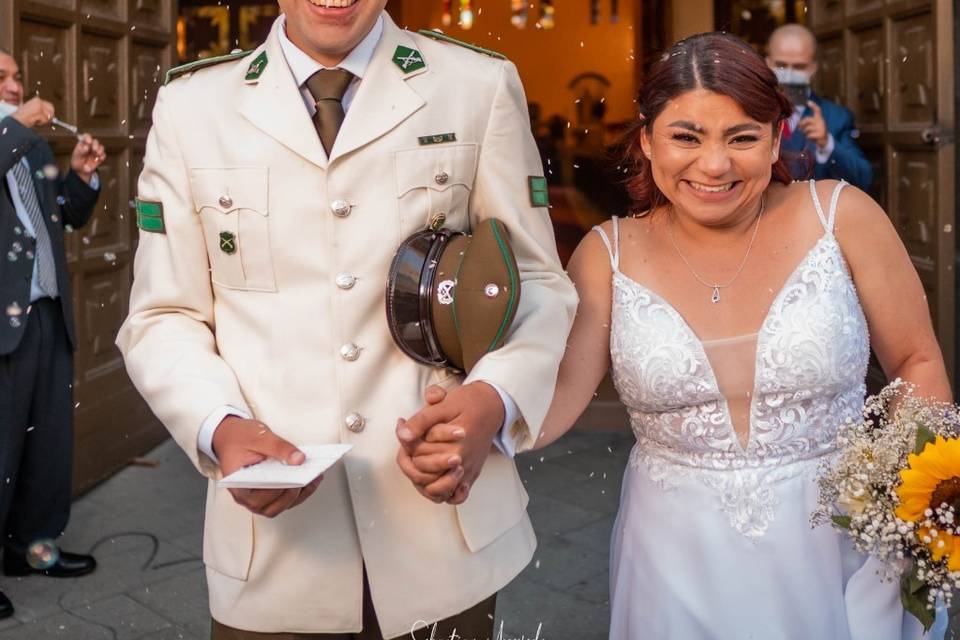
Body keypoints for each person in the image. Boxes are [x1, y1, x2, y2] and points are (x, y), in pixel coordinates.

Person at [405, 32, 951, 639]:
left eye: (742, 137)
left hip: (845, 545)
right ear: (647, 139)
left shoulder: (843, 216)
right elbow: (556, 397)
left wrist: (922, 509)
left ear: (776, 138)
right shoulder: (605, 255)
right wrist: (476, 420)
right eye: (686, 137)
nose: (713, 165)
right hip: (675, 557)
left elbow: (916, 358)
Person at [115, 0, 576, 638]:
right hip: (275, 549)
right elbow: (165, 313)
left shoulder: (476, 84)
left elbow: (537, 283)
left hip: (444, 538)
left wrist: (492, 402)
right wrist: (217, 427)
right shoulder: (194, 106)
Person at [0, 48, 104, 619]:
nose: (15, 86)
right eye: (2, 78)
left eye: (17, 77)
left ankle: (32, 549)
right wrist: (15, 127)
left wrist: (81, 178)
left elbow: (59, 214)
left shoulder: (30, 145)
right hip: (1, 324)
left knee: (46, 444)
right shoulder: (16, 137)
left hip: (43, 316)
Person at [767, 23, 873, 191]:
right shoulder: (752, 111)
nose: (789, 74)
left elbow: (863, 178)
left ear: (813, 68)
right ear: (767, 63)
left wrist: (827, 144)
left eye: (799, 67)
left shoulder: (836, 117)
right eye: (781, 65)